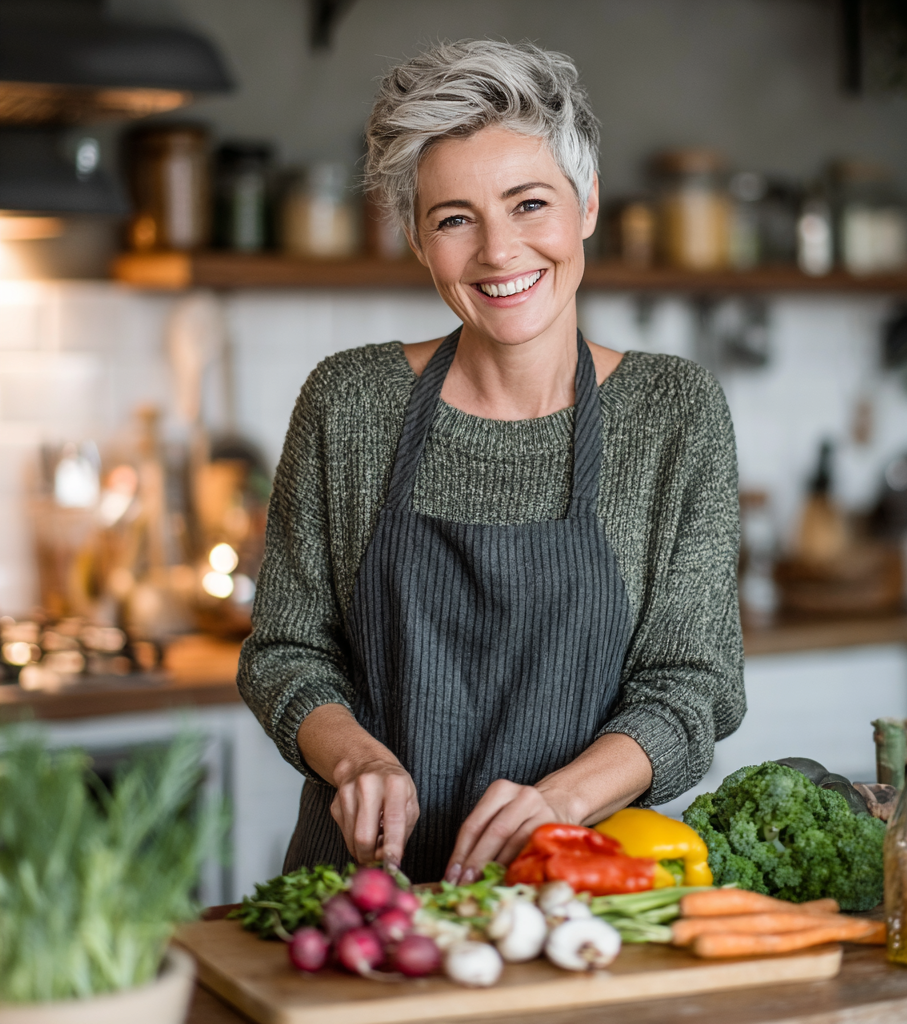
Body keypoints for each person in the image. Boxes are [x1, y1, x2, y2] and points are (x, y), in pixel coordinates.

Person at [238, 39, 744, 885]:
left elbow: (691, 688)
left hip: (578, 894)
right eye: (454, 218)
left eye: (529, 203)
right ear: (416, 238)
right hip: (361, 901)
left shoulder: (673, 414)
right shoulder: (349, 403)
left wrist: (561, 807)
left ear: (586, 205)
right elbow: (285, 651)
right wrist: (360, 762)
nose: (499, 251)